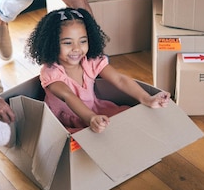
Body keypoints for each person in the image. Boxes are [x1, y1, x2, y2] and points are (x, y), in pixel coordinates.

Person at [25, 8, 170, 133]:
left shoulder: (90, 62)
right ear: (51, 45)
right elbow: (68, 96)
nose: (77, 48)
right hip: (67, 120)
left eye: (83, 41)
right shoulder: (51, 72)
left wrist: (147, 98)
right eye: (68, 43)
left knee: (128, 115)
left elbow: (119, 79)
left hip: (95, 109)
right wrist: (90, 118)